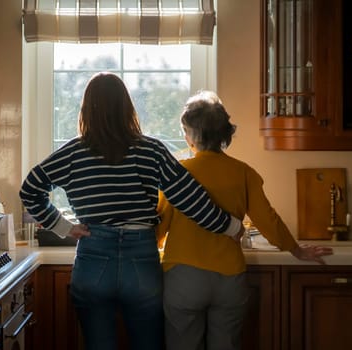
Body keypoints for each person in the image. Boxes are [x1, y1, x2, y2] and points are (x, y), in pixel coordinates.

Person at [19, 73, 244, 350]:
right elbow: (190, 198)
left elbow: (30, 189)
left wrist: (64, 227)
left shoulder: (73, 153)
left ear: (86, 109)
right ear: (128, 107)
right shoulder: (151, 150)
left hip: (93, 257)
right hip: (141, 258)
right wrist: (231, 226)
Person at [156, 90, 334, 350]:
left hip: (184, 277)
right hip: (229, 279)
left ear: (191, 134)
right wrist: (296, 249)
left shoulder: (179, 173)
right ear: (225, 135)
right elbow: (268, 219)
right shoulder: (243, 173)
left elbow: (159, 224)